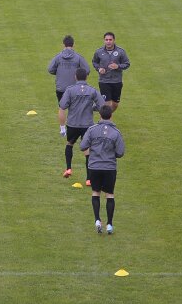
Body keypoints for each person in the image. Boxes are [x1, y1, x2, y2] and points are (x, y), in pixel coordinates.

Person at [80, 103, 125, 235]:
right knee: (109, 194)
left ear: (99, 115)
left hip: (94, 166)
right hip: (109, 167)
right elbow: (120, 152)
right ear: (111, 116)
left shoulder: (92, 130)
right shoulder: (116, 132)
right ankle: (109, 224)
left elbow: (83, 146)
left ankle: (97, 220)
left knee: (95, 193)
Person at [59, 68, 105, 181]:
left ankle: (68, 168)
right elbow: (103, 107)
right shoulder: (92, 90)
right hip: (87, 125)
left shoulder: (70, 90)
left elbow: (62, 107)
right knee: (88, 150)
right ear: (86, 77)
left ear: (75, 77)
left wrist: (62, 127)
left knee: (69, 144)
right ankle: (89, 179)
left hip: (73, 124)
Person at [48, 35, 89, 134]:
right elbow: (86, 70)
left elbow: (50, 69)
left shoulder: (58, 57)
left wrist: (58, 73)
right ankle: (75, 127)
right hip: (75, 87)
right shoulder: (78, 57)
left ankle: (62, 129)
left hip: (61, 87)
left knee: (62, 108)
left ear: (63, 44)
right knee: (75, 108)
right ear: (73, 44)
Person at [92, 32, 130, 112]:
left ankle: (104, 114)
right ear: (104, 40)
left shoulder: (120, 52)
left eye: (110, 40)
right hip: (104, 81)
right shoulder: (99, 52)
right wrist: (99, 69)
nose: (108, 41)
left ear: (114, 40)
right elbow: (94, 62)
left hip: (117, 81)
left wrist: (118, 66)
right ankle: (105, 122)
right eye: (106, 40)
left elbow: (127, 64)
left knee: (115, 104)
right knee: (107, 104)